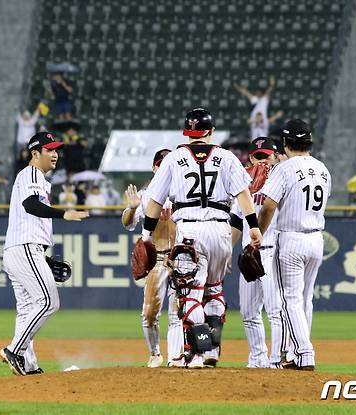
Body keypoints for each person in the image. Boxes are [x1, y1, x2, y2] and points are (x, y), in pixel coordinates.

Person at [139, 108, 262, 368]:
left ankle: (197, 353)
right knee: (215, 291)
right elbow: (243, 196)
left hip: (190, 230)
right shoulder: (228, 157)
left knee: (191, 294)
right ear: (211, 132)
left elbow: (154, 202)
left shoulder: (174, 159)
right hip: (221, 229)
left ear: (187, 132)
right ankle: (212, 351)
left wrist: (146, 235)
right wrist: (253, 227)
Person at [0, 132, 89, 376]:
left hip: (23, 248)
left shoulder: (35, 177)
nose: (55, 154)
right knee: (49, 301)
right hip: (25, 247)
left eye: (56, 149)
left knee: (28, 308)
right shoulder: (31, 173)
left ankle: (28, 364)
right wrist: (64, 214)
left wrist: (43, 257)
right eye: (49, 150)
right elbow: (31, 205)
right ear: (35, 154)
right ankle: (14, 350)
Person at [257, 119, 332, 371]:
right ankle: (294, 350)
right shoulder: (323, 169)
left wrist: (258, 232)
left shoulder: (284, 169)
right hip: (316, 238)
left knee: (290, 299)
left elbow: (268, 206)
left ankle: (304, 352)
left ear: (286, 143)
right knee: (305, 299)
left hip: (291, 238)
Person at [122, 149, 184, 368]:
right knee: (149, 312)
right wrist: (132, 207)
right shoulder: (146, 195)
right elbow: (128, 223)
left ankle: (176, 357)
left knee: (179, 312)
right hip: (156, 259)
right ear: (154, 167)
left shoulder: (184, 192)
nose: (164, 168)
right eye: (160, 164)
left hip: (181, 258)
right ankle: (155, 353)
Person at [233, 137, 284, 369]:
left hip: (274, 251)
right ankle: (257, 359)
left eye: (267, 155)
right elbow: (235, 220)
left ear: (276, 156)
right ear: (251, 158)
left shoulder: (284, 179)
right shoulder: (242, 184)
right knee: (249, 311)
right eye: (258, 156)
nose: (263, 160)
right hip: (249, 252)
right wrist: (226, 253)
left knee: (275, 311)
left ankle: (277, 359)